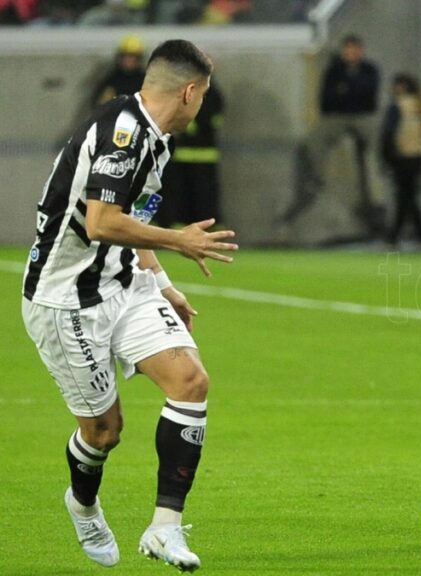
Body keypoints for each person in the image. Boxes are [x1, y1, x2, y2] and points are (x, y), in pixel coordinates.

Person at [20, 39, 238, 571]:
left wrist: (161, 281)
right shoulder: (123, 134)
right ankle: (83, 502)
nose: (202, 105)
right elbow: (101, 222)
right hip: (66, 300)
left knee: (191, 382)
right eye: (203, 96)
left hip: (125, 282)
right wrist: (179, 241)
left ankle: (164, 529)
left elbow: (130, 217)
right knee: (104, 432)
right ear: (189, 92)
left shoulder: (155, 137)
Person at [286, 34, 381, 228]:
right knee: (314, 140)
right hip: (337, 116)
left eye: (354, 50)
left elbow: (369, 97)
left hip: (362, 116)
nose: (351, 54)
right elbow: (327, 100)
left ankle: (377, 189)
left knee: (376, 141)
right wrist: (349, 92)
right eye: (348, 50)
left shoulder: (370, 70)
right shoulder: (334, 70)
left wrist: (346, 90)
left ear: (360, 51)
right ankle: (316, 178)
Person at [154, 80, 225, 228]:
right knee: (181, 195)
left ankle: (207, 228)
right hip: (183, 156)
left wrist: (191, 124)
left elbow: (212, 121)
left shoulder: (213, 95)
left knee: (204, 196)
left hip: (204, 156)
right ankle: (181, 229)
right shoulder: (185, 93)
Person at [380, 73, 421, 245]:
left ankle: (395, 234)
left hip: (401, 156)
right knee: (409, 195)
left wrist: (385, 157)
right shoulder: (420, 106)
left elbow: (388, 134)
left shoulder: (397, 106)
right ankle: (419, 233)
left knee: (404, 196)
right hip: (417, 156)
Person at [91, 35, 147, 108]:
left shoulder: (145, 81)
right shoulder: (112, 80)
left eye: (132, 57)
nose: (128, 61)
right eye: (126, 57)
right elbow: (98, 104)